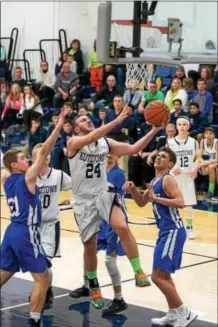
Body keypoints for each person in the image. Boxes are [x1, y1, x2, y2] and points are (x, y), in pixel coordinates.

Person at [67, 105, 163, 309]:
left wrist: (154, 130)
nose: (88, 121)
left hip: (103, 194)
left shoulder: (105, 142)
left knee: (122, 226)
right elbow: (92, 136)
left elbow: (134, 149)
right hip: (83, 200)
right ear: (76, 129)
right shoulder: (73, 142)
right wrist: (118, 119)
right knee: (90, 245)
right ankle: (93, 284)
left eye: (89, 119)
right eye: (83, 121)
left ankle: (138, 271)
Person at [0, 107, 70, 327]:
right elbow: (44, 150)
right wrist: (59, 125)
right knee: (43, 277)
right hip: (27, 232)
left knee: (4, 273)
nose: (27, 159)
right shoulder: (28, 177)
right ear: (14, 165)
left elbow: (4, 165)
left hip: (11, 232)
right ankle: (35, 320)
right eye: (22, 158)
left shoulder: (6, 179)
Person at [123, 147, 197, 327]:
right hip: (165, 231)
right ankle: (173, 314)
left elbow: (180, 202)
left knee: (157, 276)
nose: (158, 158)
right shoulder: (155, 180)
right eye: (158, 156)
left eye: (163, 157)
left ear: (170, 163)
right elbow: (141, 202)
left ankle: (184, 312)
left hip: (173, 230)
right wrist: (132, 189)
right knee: (163, 275)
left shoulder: (168, 179)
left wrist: (157, 199)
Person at [69, 154, 128, 316]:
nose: (108, 156)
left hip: (113, 221)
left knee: (109, 261)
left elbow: (100, 193)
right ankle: (87, 287)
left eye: (111, 154)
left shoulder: (117, 174)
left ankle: (119, 299)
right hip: (100, 219)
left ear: (117, 156)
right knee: (89, 253)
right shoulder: (99, 170)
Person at [32, 143, 72, 309]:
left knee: (44, 263)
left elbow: (78, 186)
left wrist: (75, 201)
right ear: (35, 158)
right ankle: (45, 289)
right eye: (42, 153)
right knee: (36, 264)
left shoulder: (58, 175)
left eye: (48, 152)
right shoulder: (30, 177)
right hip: (32, 228)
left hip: (50, 226)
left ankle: (43, 291)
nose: (46, 155)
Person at [166, 117, 199, 239]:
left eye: (184, 124)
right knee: (174, 202)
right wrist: (172, 168)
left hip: (188, 175)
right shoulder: (170, 142)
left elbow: (197, 158)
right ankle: (174, 226)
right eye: (179, 124)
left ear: (188, 126)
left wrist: (195, 167)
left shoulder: (193, 142)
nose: (182, 126)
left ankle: (189, 228)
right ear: (176, 126)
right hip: (175, 176)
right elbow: (166, 158)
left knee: (189, 204)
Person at [196, 127, 217, 201]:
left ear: (214, 135)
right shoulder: (202, 141)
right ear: (204, 135)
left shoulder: (216, 142)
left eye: (210, 134)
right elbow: (199, 156)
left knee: (211, 167)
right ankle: (193, 189)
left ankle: (211, 191)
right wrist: (202, 163)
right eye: (206, 133)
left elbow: (216, 159)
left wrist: (204, 163)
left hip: (214, 161)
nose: (208, 135)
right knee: (196, 165)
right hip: (206, 162)